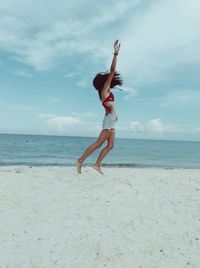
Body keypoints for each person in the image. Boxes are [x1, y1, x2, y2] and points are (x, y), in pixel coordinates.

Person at [76, 40, 123, 174]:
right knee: (98, 144)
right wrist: (116, 53)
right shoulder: (104, 91)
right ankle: (80, 161)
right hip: (109, 121)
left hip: (112, 120)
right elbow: (113, 71)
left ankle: (97, 165)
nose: (108, 79)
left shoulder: (106, 92)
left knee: (110, 146)